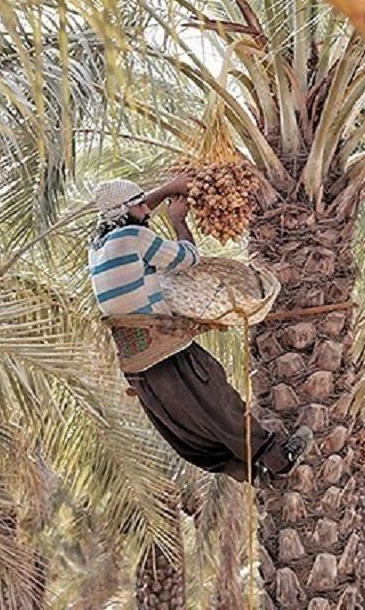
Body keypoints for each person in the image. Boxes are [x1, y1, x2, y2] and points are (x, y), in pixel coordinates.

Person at [89, 176, 309, 482]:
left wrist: (166, 189)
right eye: (140, 205)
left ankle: (249, 471)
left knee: (185, 428)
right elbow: (187, 259)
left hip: (135, 360)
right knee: (218, 402)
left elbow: (135, 211)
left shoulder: (98, 245)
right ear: (126, 211)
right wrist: (178, 221)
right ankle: (279, 460)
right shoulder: (132, 236)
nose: (147, 210)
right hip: (165, 350)